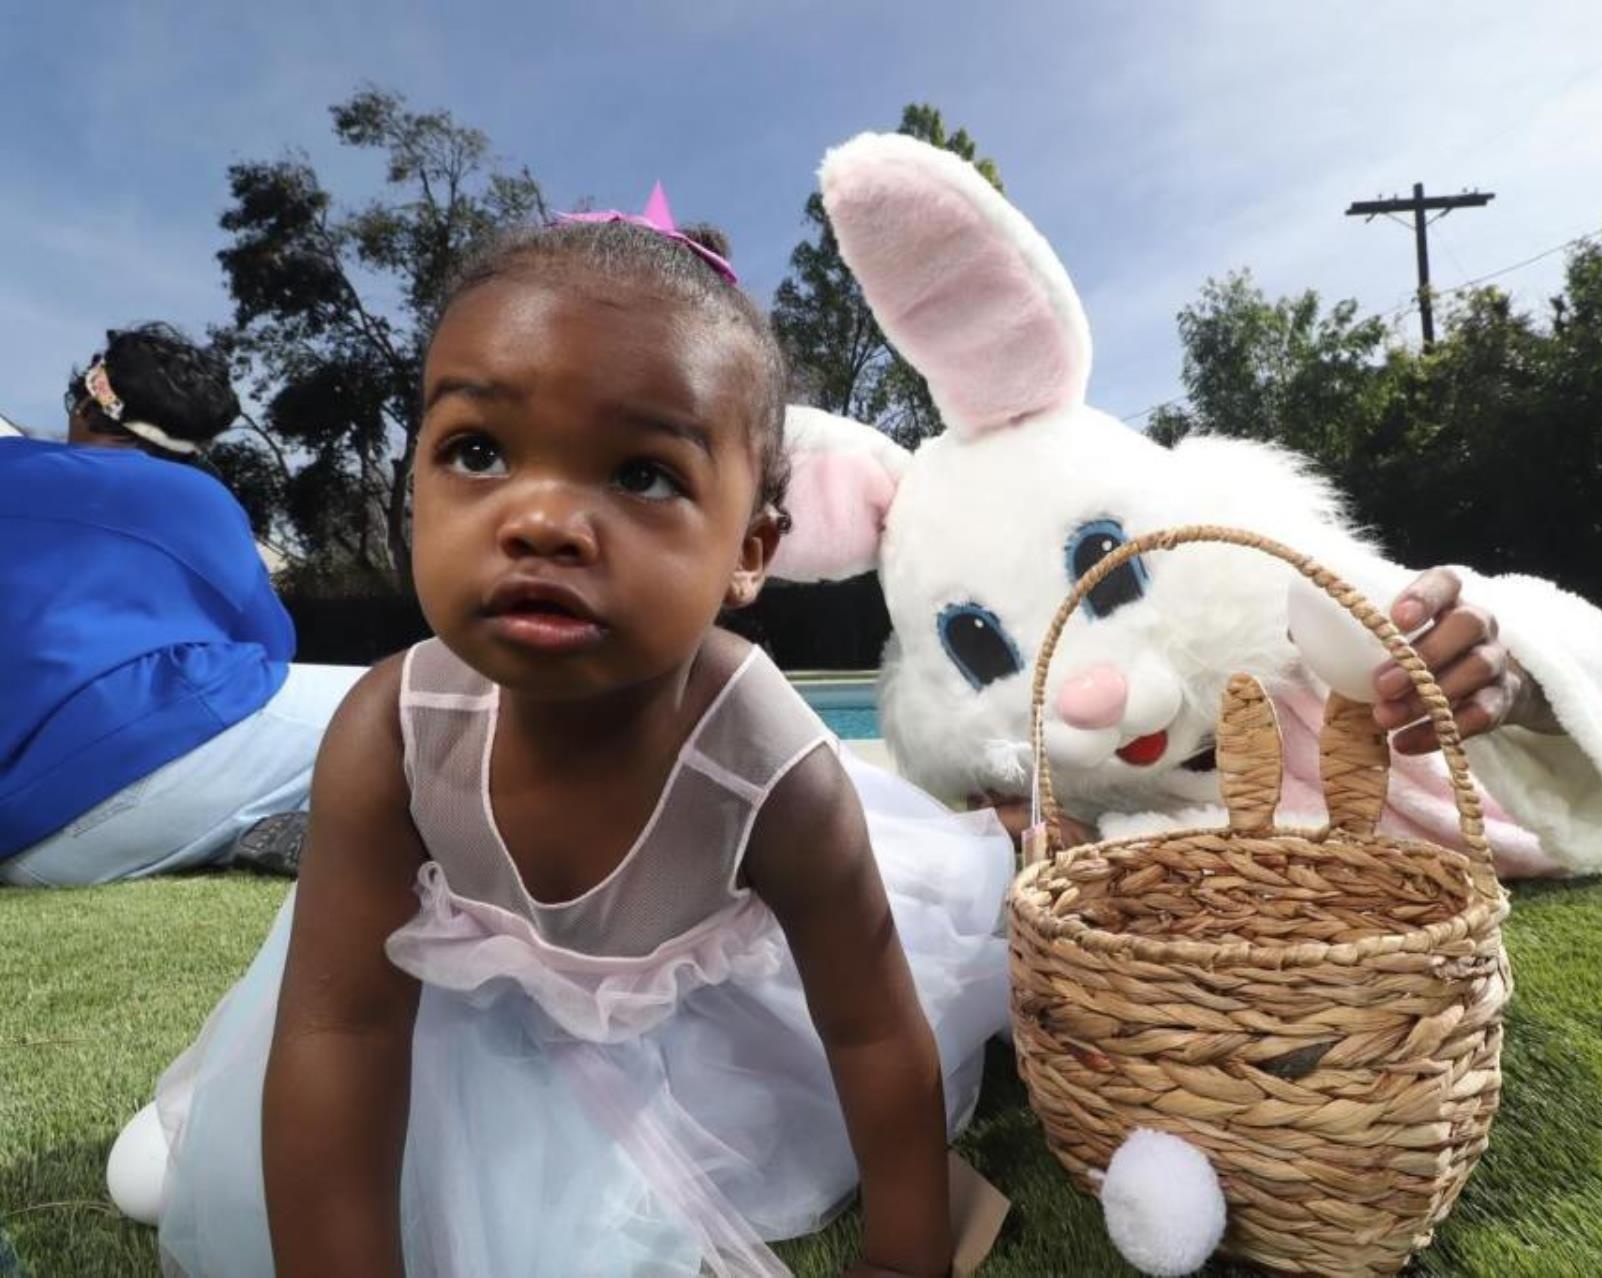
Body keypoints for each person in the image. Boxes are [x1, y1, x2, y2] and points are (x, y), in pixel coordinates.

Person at [114, 200, 1012, 1278]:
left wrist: (904, 1256)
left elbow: (869, 1033)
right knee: (184, 1175)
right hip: (456, 1012)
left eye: (642, 474)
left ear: (751, 548)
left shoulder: (774, 776)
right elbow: (341, 1032)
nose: (540, 518)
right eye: (479, 450)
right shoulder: (393, 732)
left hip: (690, 1026)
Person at [0, 325, 361, 886]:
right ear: (195, 445)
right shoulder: (195, 498)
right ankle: (298, 817)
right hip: (130, 777)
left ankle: (258, 824)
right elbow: (271, 649)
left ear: (85, 402)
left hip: (21, 849)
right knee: (437, 700)